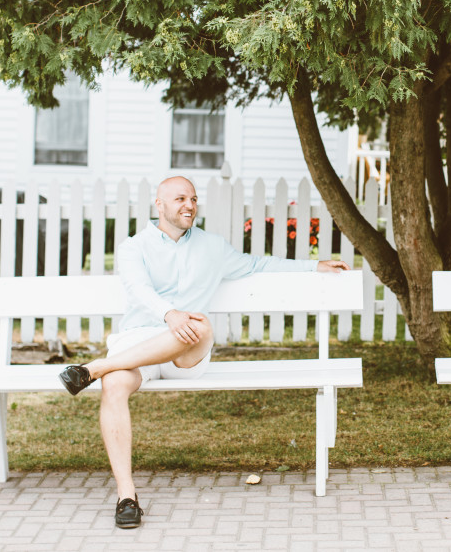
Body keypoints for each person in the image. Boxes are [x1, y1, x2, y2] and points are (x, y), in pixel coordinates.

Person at [58, 176, 349, 528]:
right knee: (116, 385)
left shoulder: (213, 247)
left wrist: (313, 266)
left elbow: (257, 264)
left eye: (193, 199)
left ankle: (94, 367)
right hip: (139, 345)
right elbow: (138, 289)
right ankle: (126, 495)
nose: (189, 205)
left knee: (199, 326)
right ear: (159, 205)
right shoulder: (134, 247)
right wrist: (169, 314)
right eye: (180, 198)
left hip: (186, 353)